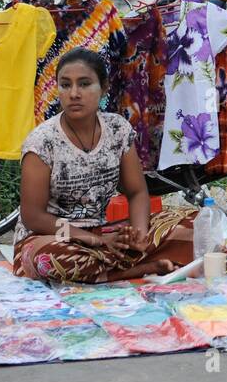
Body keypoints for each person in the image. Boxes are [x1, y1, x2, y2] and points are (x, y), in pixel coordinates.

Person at [12, 48, 198, 283]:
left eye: (85, 84)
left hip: (102, 234)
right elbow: (33, 217)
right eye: (65, 85)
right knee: (51, 260)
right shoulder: (42, 142)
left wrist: (138, 235)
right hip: (49, 239)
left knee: (193, 220)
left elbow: (137, 191)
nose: (74, 93)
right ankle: (135, 270)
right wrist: (88, 239)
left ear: (104, 88)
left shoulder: (117, 130)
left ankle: (116, 263)